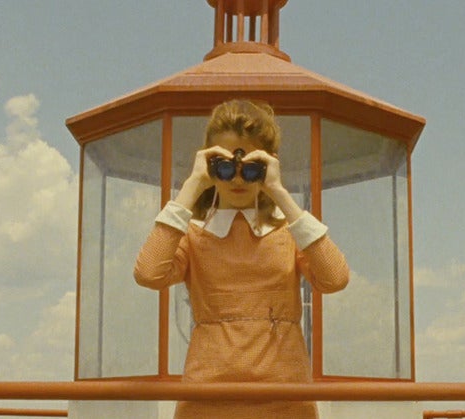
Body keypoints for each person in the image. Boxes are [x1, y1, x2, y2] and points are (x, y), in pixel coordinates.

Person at [133, 99, 349, 419]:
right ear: (208, 165)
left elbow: (335, 278)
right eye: (224, 166)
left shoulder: (290, 231)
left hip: (285, 401)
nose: (236, 178)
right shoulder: (193, 235)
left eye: (250, 168)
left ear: (268, 166)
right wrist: (192, 185)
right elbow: (148, 273)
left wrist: (279, 193)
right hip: (207, 402)